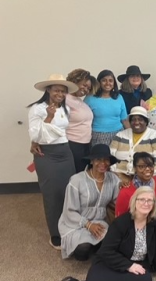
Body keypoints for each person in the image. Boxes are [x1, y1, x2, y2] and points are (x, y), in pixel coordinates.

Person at [28, 74, 78, 250]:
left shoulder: (65, 109)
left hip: (65, 153)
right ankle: (55, 235)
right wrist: (48, 117)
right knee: (52, 195)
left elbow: (61, 132)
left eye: (63, 91)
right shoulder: (38, 109)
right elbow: (36, 135)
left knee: (68, 192)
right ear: (48, 90)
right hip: (47, 155)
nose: (60, 93)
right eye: (56, 90)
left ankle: (68, 227)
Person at [86, 187, 156, 281]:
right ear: (135, 201)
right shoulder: (120, 223)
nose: (146, 203)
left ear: (154, 204)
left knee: (146, 278)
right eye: (142, 199)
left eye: (150, 200)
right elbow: (106, 251)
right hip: (111, 263)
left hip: (138, 263)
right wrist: (129, 265)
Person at [58, 144, 121, 261]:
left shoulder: (114, 179)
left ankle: (97, 245)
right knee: (83, 251)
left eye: (106, 160)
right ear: (91, 161)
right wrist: (88, 225)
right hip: (74, 223)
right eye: (98, 159)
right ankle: (90, 245)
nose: (103, 163)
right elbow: (69, 211)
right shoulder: (76, 180)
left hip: (99, 222)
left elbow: (118, 202)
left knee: (115, 243)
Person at [110, 106, 156, 185]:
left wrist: (138, 179)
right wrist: (117, 175)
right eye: (133, 119)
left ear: (146, 122)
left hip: (145, 179)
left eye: (140, 119)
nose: (136, 122)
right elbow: (110, 158)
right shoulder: (120, 135)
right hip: (118, 176)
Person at [84, 69, 129, 146]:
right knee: (101, 158)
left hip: (119, 134)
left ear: (114, 83)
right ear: (99, 82)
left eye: (111, 81)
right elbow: (84, 120)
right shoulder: (90, 98)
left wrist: (131, 134)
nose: (108, 83)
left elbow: (124, 119)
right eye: (104, 80)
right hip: (98, 136)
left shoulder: (119, 97)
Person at [115, 152, 156, 218]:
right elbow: (119, 220)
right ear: (135, 168)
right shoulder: (125, 192)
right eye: (142, 166)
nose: (147, 169)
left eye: (150, 165)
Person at [64, 69, 95, 172]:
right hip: (73, 144)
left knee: (83, 174)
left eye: (88, 88)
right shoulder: (64, 100)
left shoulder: (79, 101)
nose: (85, 89)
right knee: (75, 175)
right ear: (75, 81)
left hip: (86, 144)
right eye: (84, 85)